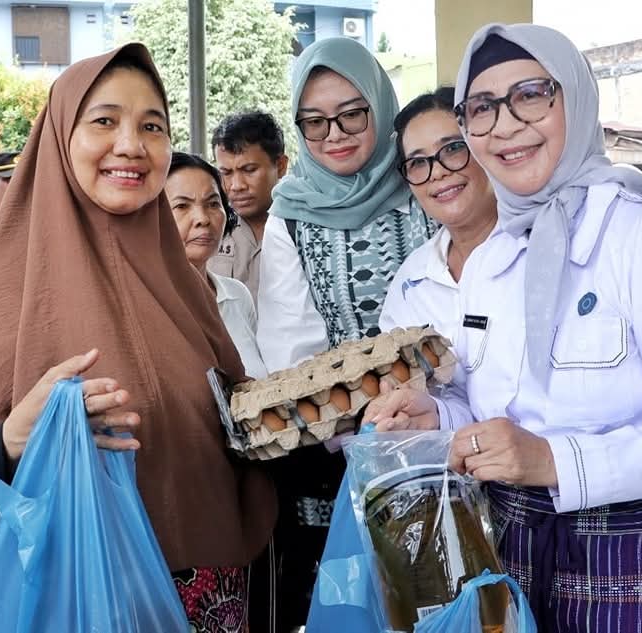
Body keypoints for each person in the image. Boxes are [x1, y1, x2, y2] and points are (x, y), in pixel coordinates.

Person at [365, 24, 642, 632]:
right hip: (513, 545)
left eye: (531, 94)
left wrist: (556, 462)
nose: (505, 124)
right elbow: (497, 409)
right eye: (483, 107)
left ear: (575, 96)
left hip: (634, 552)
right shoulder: (494, 256)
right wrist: (439, 419)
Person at [0, 44, 275, 633]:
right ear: (59, 138)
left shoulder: (184, 286)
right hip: (79, 601)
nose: (130, 145)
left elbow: (225, 428)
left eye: (152, 126)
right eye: (104, 121)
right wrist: (13, 439)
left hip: (214, 600)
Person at [255, 37, 436, 630]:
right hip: (343, 450)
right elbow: (290, 345)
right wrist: (362, 430)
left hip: (451, 435)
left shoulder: (425, 184)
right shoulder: (290, 213)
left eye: (351, 112)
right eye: (314, 121)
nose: (333, 133)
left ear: (380, 109)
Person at [378, 86, 496, 341]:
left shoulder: (539, 250)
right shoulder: (412, 280)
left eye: (453, 148)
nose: (438, 172)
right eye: (418, 162)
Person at [167, 151, 267, 379]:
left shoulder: (236, 295)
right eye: (182, 206)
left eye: (213, 203)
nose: (202, 218)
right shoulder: (153, 306)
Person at [209, 111, 288, 302]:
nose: (236, 185)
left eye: (249, 170)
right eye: (226, 173)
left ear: (280, 166)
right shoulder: (209, 227)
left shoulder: (302, 230)